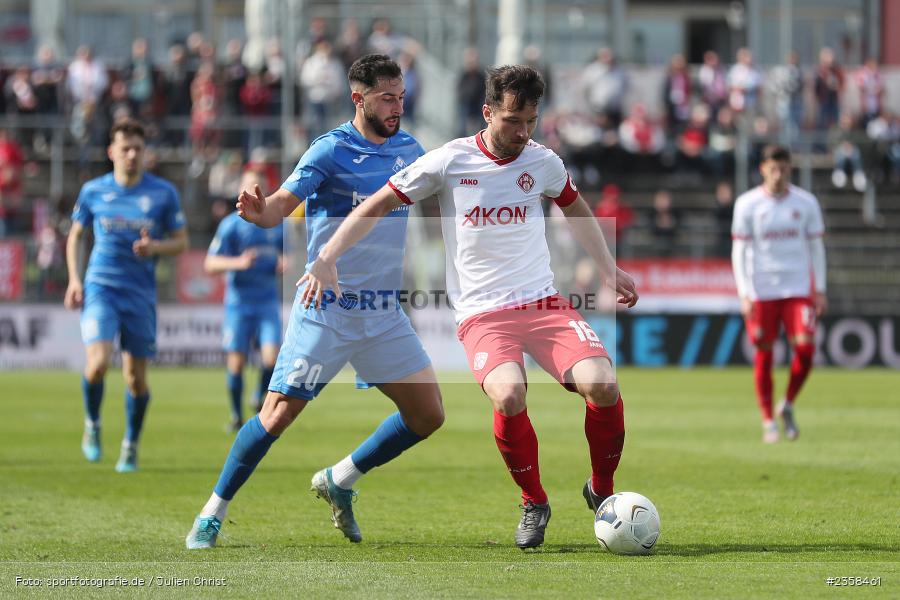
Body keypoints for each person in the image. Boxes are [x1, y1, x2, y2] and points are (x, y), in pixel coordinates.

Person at [301, 65, 639, 550]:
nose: (522, 133)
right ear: (487, 113)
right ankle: (533, 501)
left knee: (603, 384)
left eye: (530, 121)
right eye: (511, 121)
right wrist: (326, 257)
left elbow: (574, 205)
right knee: (508, 395)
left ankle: (602, 491)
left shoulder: (542, 161)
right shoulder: (448, 161)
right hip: (483, 315)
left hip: (543, 303)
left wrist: (607, 267)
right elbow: (375, 204)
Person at [185, 54, 444, 549]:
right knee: (275, 416)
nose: (397, 107)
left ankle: (339, 479)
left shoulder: (410, 149)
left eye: (401, 96)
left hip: (383, 313)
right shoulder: (329, 150)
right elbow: (284, 203)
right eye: (387, 97)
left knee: (428, 416)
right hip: (325, 310)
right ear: (358, 98)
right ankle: (212, 511)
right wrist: (262, 214)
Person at [63, 118, 188, 472]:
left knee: (135, 379)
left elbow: (182, 243)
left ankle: (130, 444)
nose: (132, 155)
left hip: (140, 294)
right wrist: (75, 280)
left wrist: (156, 247)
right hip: (101, 287)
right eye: (125, 149)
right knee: (98, 363)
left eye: (137, 149)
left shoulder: (163, 193)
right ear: (111, 152)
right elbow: (75, 236)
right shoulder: (93, 191)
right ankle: (93, 424)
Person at [731, 145, 827, 444]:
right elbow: (739, 250)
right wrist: (745, 293)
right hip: (762, 291)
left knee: (807, 350)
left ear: (790, 169)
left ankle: (787, 403)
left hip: (798, 289)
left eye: (784, 168)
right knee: (765, 354)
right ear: (763, 169)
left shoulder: (806, 203)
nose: (778, 174)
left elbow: (816, 247)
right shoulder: (747, 204)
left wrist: (820, 288)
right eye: (773, 168)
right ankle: (768, 420)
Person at [205, 169, 286, 432]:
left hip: (267, 302)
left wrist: (286, 263)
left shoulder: (276, 224)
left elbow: (293, 255)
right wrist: (238, 262)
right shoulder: (230, 225)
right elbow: (211, 263)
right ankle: (236, 416)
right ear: (240, 191)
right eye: (249, 186)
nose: (254, 190)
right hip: (239, 304)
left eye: (260, 186)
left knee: (271, 359)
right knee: (236, 363)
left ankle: (258, 395)